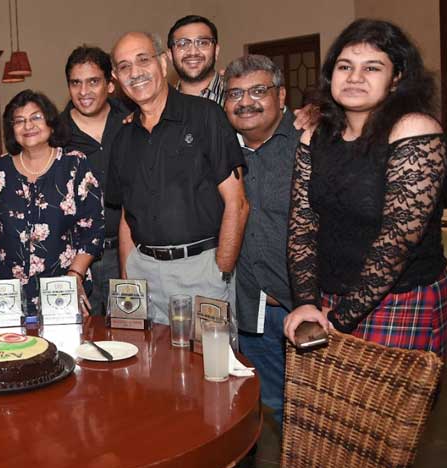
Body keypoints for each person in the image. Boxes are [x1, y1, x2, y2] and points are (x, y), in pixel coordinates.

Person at [284, 19, 447, 356]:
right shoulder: (315, 135)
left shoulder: (413, 129)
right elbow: (302, 226)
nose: (355, 77)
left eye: (372, 67)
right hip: (327, 298)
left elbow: (396, 243)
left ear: (397, 78)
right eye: (345, 66)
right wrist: (306, 304)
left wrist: (339, 318)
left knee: (386, 410)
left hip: (399, 299)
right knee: (325, 409)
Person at [106, 32, 248, 324]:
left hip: (201, 272)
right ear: (116, 77)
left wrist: (221, 270)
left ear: (162, 62)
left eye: (143, 60)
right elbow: (125, 217)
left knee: (210, 367)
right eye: (124, 66)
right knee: (148, 366)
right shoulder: (122, 139)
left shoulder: (206, 116)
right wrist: (128, 276)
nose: (135, 73)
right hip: (142, 273)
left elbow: (238, 203)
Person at [224, 55, 300, 427]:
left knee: (319, 408)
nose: (245, 102)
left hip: (302, 306)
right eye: (235, 93)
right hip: (250, 309)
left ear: (281, 96)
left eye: (258, 91)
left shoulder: (310, 143)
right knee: (275, 404)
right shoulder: (220, 148)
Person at [0, 89, 105, 315]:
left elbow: (94, 227)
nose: (28, 126)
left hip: (63, 287)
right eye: (19, 121)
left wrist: (76, 274)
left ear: (51, 123)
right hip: (8, 294)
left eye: (36, 117)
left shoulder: (74, 164)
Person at [59, 45, 130, 316]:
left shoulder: (132, 122)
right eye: (75, 83)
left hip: (126, 253)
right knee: (80, 339)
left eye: (93, 81)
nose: (84, 91)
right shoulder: (57, 136)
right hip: (74, 260)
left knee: (130, 339)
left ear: (111, 84)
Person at [167, 15, 225, 105]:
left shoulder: (236, 95)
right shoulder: (164, 103)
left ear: (216, 51)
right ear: (170, 55)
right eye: (183, 44)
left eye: (202, 43)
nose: (193, 52)